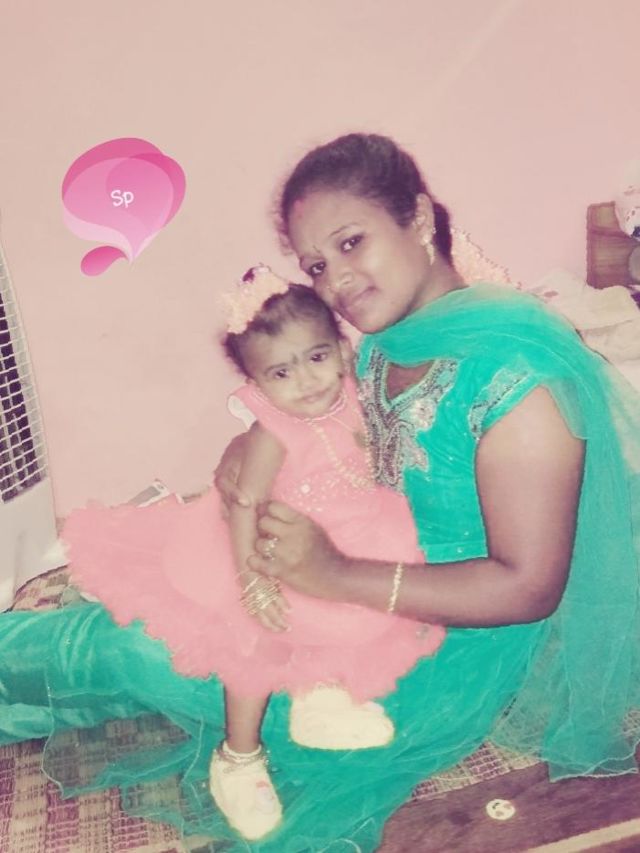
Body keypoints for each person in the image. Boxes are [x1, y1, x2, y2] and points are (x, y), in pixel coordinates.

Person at [1, 132, 640, 853]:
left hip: (425, 651)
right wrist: (250, 448)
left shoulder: (518, 379)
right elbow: (320, 425)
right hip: (337, 594)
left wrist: (335, 573)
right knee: (168, 607)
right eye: (316, 264)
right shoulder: (390, 340)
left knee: (134, 648)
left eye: (351, 242)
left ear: (419, 219)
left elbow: (528, 588)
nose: (336, 280)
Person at [58, 263, 445, 841]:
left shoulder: (356, 393)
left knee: (356, 604)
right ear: (257, 384)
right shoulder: (274, 434)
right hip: (267, 545)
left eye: (317, 357)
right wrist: (252, 579)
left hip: (351, 532)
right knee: (257, 642)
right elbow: (244, 504)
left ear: (342, 349)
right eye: (281, 372)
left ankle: (319, 694)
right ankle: (238, 758)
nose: (306, 381)